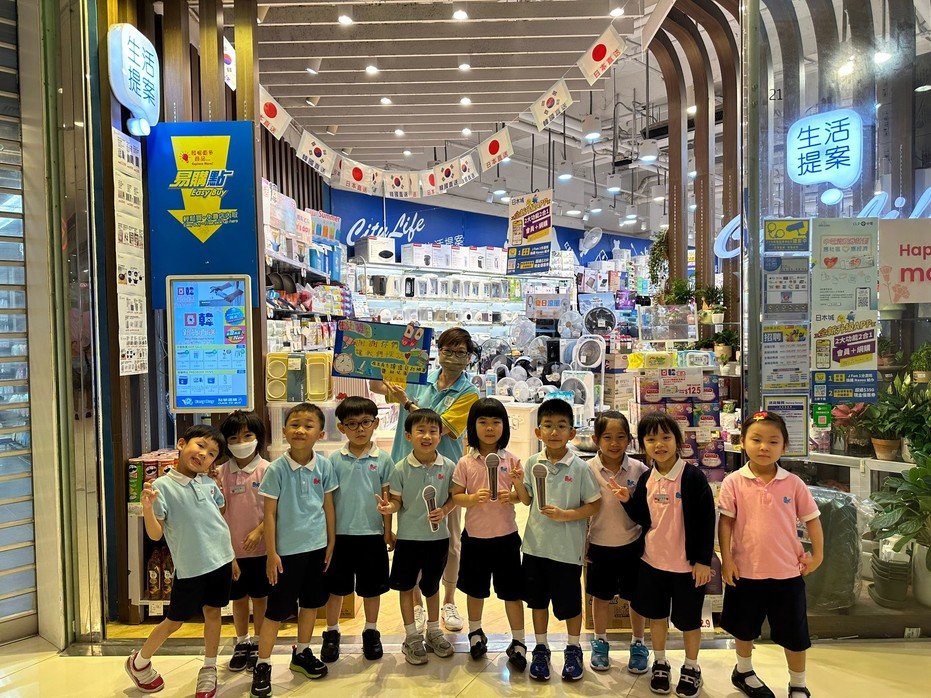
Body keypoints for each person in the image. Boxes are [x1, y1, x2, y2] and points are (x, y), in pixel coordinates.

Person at [370, 327, 479, 633]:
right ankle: (417, 604)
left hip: (446, 472)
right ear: (438, 351)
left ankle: (449, 601)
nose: (453, 357)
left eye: (460, 352)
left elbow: (443, 427)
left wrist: (408, 404)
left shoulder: (469, 393)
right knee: (411, 540)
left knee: (451, 540)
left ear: (469, 358)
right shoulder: (418, 376)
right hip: (407, 466)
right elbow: (380, 386)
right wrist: (372, 361)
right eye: (447, 350)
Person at [719, 411, 824, 698]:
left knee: (795, 633)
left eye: (773, 441)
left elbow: (812, 519)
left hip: (787, 573)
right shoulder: (733, 482)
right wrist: (727, 560)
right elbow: (725, 523)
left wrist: (818, 555)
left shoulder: (793, 483)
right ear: (742, 442)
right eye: (756, 439)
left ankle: (798, 683)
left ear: (784, 446)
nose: (764, 447)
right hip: (745, 571)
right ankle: (743, 671)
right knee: (744, 628)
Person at [125, 425, 233, 698]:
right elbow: (155, 533)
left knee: (214, 613)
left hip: (221, 561)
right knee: (174, 621)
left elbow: (218, 514)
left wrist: (231, 557)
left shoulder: (207, 482)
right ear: (182, 443)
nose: (204, 455)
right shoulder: (162, 487)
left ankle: (209, 667)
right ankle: (139, 662)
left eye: (212, 454)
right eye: (200, 446)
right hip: (190, 569)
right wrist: (147, 508)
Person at [618, 412, 715, 697]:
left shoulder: (693, 478)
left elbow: (706, 521)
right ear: (643, 444)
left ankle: (692, 666)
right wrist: (627, 501)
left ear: (678, 441)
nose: (659, 444)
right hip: (652, 563)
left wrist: (703, 560)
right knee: (657, 617)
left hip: (687, 568)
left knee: (689, 621)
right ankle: (660, 662)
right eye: (651, 439)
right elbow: (643, 518)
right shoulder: (647, 478)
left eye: (665, 437)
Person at [250, 403, 337, 698]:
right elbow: (269, 514)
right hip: (285, 554)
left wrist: (331, 541)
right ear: (284, 431)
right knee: (276, 611)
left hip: (317, 549)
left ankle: (302, 653)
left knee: (311, 604)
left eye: (308, 425)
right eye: (295, 424)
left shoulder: (324, 466)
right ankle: (263, 664)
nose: (301, 430)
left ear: (320, 433)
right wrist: (271, 553)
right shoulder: (276, 469)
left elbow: (328, 506)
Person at [513, 398, 602, 682]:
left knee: (570, 605)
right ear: (537, 432)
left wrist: (567, 515)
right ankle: (541, 648)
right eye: (548, 426)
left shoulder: (580, 468)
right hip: (535, 547)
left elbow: (594, 505)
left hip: (567, 551)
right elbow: (527, 499)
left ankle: (574, 649)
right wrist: (516, 482)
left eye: (561, 426)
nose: (554, 432)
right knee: (537, 602)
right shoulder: (532, 463)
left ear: (572, 432)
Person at [450, 398, 527, 671]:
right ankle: (475, 632)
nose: (490, 427)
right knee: (475, 589)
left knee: (512, 592)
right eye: (482, 422)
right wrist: (472, 498)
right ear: (473, 426)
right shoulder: (465, 462)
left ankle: (519, 640)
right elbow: (456, 496)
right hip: (475, 538)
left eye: (496, 422)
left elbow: (524, 498)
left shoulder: (512, 460)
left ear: (505, 426)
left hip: (506, 537)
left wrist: (514, 492)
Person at [376, 409, 457, 665]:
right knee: (406, 586)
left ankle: (433, 631)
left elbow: (454, 497)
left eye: (433, 431)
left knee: (432, 586)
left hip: (438, 540)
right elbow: (397, 501)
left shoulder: (448, 466)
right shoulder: (400, 468)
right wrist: (389, 508)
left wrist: (445, 510)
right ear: (408, 436)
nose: (427, 436)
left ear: (441, 435)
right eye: (420, 431)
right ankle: (411, 636)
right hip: (408, 540)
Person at [321, 396, 394, 663]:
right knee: (336, 589)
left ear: (375, 423)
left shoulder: (383, 459)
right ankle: (332, 633)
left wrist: (388, 531)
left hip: (372, 535)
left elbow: (387, 498)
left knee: (371, 589)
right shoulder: (333, 460)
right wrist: (328, 536)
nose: (360, 429)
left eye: (365, 422)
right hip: (339, 536)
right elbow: (328, 501)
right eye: (352, 424)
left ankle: (371, 632)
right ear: (342, 427)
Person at [585, 411, 650, 673]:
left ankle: (638, 643)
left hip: (632, 544)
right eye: (607, 437)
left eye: (621, 437)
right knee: (600, 597)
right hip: (598, 544)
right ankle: (600, 642)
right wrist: (582, 545)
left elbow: (646, 512)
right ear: (595, 440)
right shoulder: (587, 470)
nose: (614, 443)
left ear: (629, 439)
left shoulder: (640, 470)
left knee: (636, 598)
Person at [217, 411, 270, 673]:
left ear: (258, 437)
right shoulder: (219, 473)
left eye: (247, 436)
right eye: (234, 438)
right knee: (238, 598)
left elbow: (275, 510)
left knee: (260, 598)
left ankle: (259, 641)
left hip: (261, 550)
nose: (241, 442)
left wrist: (259, 532)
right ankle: (242, 641)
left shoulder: (268, 470)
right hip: (230, 553)